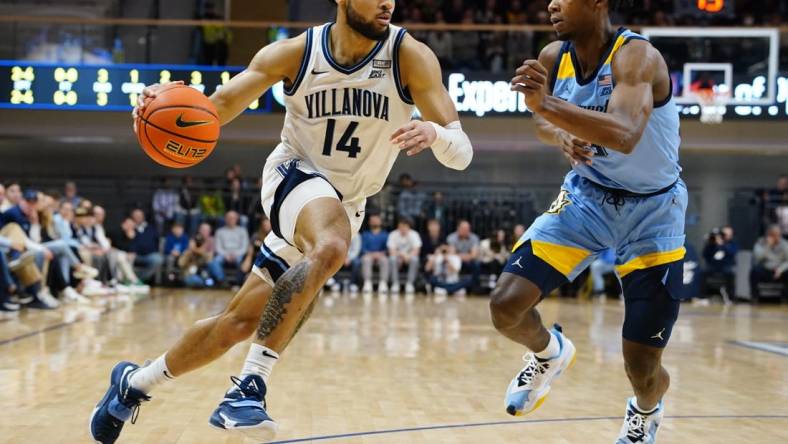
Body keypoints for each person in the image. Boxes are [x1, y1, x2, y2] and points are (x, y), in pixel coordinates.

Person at [90, 1, 473, 442]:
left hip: (346, 202)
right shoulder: (294, 53)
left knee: (237, 322)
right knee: (330, 247)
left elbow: (461, 152)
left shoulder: (410, 56)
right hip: (294, 175)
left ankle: (134, 384)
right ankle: (248, 388)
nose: (388, 1)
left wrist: (436, 133)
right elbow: (216, 107)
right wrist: (168, 103)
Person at [489, 1, 686, 442]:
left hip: (653, 211)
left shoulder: (637, 56)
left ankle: (646, 409)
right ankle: (548, 353)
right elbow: (540, 120)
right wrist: (558, 130)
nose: (552, 4)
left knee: (641, 362)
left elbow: (624, 134)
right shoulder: (551, 57)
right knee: (505, 305)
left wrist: (548, 104)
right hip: (586, 199)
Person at [209, 211, 250, 285]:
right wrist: (226, 255)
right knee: (214, 262)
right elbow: (218, 247)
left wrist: (235, 255)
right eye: (229, 218)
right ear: (225, 219)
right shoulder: (219, 231)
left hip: (238, 254)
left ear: (237, 219)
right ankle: (222, 281)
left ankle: (239, 282)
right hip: (223, 254)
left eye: (233, 218)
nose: (231, 220)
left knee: (242, 262)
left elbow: (244, 247)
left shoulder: (242, 231)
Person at [750, 224, 788, 301]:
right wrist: (767, 246)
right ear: (769, 234)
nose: (776, 237)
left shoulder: (784, 244)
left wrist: (780, 269)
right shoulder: (760, 242)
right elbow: (757, 259)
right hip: (765, 270)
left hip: (779, 270)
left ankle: (785, 298)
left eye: (778, 235)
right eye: (774, 235)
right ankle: (754, 297)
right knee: (754, 271)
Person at [387, 217, 421, 296]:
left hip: (409, 258)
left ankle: (410, 284)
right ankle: (395, 284)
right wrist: (402, 255)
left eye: (405, 226)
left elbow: (416, 250)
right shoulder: (393, 234)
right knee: (392, 259)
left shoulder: (414, 234)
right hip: (397, 258)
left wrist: (407, 256)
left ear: (409, 226)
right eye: (401, 226)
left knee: (415, 259)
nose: (402, 228)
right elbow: (391, 251)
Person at [702, 227, 736, 303]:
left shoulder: (731, 244)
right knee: (703, 272)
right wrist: (710, 243)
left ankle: (731, 298)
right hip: (713, 266)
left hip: (725, 266)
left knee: (730, 274)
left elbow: (732, 253)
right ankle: (703, 297)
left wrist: (722, 244)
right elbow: (705, 255)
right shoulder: (711, 244)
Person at [129, 209, 163, 284]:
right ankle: (129, 278)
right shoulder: (129, 228)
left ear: (143, 217)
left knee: (158, 259)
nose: (138, 218)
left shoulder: (151, 228)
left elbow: (155, 242)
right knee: (125, 257)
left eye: (139, 216)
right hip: (134, 255)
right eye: (136, 216)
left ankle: (140, 279)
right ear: (132, 217)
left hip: (148, 255)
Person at [360, 214, 390, 295]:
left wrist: (380, 254)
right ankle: (367, 283)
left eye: (376, 220)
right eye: (373, 220)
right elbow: (362, 249)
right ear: (369, 222)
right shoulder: (365, 234)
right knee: (366, 259)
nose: (375, 222)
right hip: (368, 256)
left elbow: (388, 249)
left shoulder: (385, 235)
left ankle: (383, 284)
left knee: (385, 260)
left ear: (380, 222)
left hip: (381, 256)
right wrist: (372, 254)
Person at [447, 220, 481, 289]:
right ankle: (453, 286)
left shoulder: (474, 238)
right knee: (452, 261)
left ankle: (475, 287)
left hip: (469, 261)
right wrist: (465, 256)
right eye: (464, 229)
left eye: (468, 229)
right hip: (457, 261)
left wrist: (460, 255)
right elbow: (452, 254)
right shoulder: (451, 237)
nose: (466, 231)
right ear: (458, 229)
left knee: (477, 264)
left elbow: (474, 255)